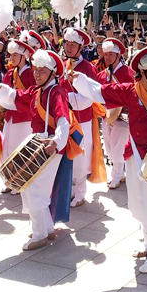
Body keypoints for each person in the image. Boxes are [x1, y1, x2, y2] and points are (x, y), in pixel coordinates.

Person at [72, 45, 147, 274]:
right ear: (141, 72)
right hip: (133, 154)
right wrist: (78, 79)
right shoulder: (129, 91)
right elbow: (100, 91)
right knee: (138, 203)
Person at [0, 49, 72, 250]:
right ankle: (46, 228)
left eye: (43, 71)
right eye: (36, 70)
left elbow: (63, 120)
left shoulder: (57, 92)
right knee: (33, 187)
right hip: (39, 145)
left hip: (50, 147)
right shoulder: (37, 91)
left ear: (53, 73)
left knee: (34, 189)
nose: (37, 74)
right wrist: (1, 88)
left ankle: (39, 234)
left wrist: (56, 141)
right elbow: (17, 97)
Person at [58, 27, 97, 208]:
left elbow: (89, 97)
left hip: (82, 118)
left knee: (81, 154)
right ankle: (68, 189)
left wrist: (68, 101)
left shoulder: (88, 68)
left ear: (81, 48)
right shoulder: (62, 65)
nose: (69, 48)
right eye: (67, 44)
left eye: (73, 45)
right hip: (65, 116)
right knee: (66, 153)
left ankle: (80, 191)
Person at [96, 37, 133, 189]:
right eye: (106, 54)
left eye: (111, 54)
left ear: (119, 55)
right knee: (109, 145)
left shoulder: (128, 72)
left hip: (122, 115)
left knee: (118, 146)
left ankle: (116, 176)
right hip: (106, 113)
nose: (108, 57)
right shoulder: (101, 74)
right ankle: (120, 173)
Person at [0, 38, 36, 192]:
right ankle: (9, 180)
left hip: (24, 116)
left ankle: (20, 181)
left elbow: (32, 95)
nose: (12, 58)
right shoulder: (10, 73)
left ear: (23, 56)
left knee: (20, 150)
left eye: (15, 55)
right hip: (10, 115)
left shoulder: (31, 74)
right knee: (7, 148)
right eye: (11, 55)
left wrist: (13, 95)